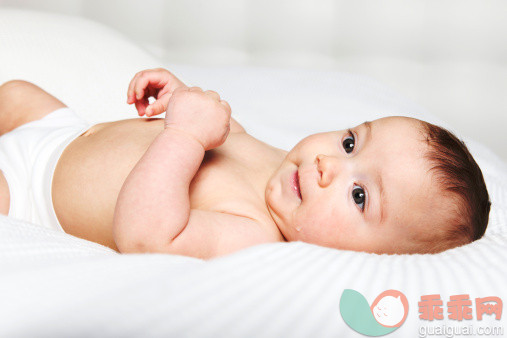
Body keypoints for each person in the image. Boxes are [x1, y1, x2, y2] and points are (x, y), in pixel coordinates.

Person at [0, 68, 491, 259]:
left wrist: (184, 134)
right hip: (65, 134)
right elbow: (222, 135)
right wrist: (183, 99)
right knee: (18, 93)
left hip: (31, 191)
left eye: (359, 196)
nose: (327, 166)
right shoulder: (285, 168)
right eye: (349, 144)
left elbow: (146, 236)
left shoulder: (254, 233)